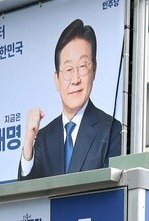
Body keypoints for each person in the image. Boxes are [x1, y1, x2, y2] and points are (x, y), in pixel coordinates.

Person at [18, 19, 123, 180]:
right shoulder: (43, 139)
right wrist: (28, 143)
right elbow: (27, 196)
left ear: (94, 69)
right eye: (68, 69)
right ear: (56, 79)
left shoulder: (111, 131)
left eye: (82, 66)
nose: (75, 79)